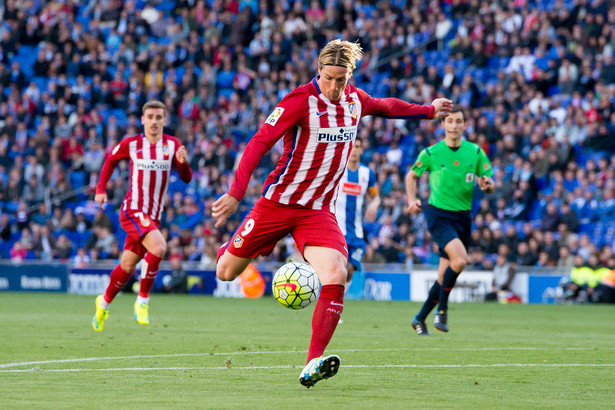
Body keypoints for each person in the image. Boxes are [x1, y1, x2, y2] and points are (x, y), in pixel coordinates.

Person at [212, 39, 452, 387]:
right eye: (329, 78)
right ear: (318, 72)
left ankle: (312, 363)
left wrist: (427, 111)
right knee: (225, 272)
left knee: (337, 273)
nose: (335, 86)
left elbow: (387, 105)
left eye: (342, 79)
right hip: (277, 203)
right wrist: (236, 191)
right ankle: (240, 247)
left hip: (317, 211)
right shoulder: (299, 101)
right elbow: (259, 142)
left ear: (350, 75)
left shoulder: (356, 100)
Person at [92, 100, 192, 331]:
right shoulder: (132, 144)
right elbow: (110, 160)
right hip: (132, 209)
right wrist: (100, 189)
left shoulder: (172, 144)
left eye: (159, 117)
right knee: (159, 247)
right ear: (143, 120)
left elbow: (186, 178)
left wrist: (184, 163)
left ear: (165, 120)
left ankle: (103, 302)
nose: (154, 121)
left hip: (153, 217)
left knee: (127, 265)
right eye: (150, 117)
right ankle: (142, 301)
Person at [406, 105, 494, 335]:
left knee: (444, 274)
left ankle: (419, 318)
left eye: (458, 121)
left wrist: (487, 185)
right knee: (461, 260)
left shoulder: (475, 153)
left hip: (463, 218)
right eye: (450, 121)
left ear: (465, 125)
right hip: (439, 215)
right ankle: (442, 311)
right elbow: (411, 175)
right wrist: (411, 199)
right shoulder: (431, 153)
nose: (454, 125)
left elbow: (489, 182)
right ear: (443, 125)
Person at [334, 137, 380, 299]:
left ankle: (337, 301)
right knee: (340, 269)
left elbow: (376, 197)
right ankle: (333, 305)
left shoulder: (367, 173)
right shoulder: (338, 169)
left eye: (358, 146)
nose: (354, 150)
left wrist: (374, 204)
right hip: (337, 230)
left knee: (350, 271)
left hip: (357, 232)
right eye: (352, 146)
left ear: (362, 150)